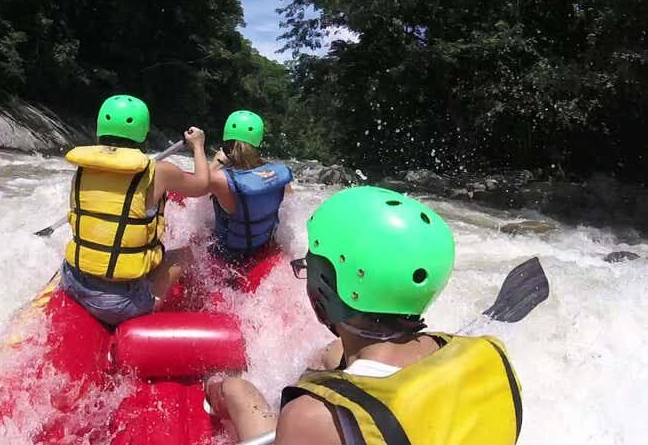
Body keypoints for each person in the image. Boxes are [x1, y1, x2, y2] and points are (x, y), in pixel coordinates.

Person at [205, 186, 523, 445]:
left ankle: (216, 391)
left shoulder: (309, 417)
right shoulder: (493, 355)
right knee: (328, 356)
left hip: (317, 430)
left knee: (237, 390)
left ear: (327, 290)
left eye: (308, 267)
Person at [59, 94, 210, 326]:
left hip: (73, 282)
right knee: (186, 254)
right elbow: (201, 185)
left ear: (100, 129)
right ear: (143, 133)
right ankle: (191, 306)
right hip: (118, 305)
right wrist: (198, 146)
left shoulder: (83, 169)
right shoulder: (159, 171)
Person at [207, 110, 292, 262]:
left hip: (227, 256)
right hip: (261, 247)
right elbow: (290, 201)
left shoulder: (221, 179)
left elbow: (197, 186)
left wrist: (215, 162)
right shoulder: (278, 174)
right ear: (257, 141)